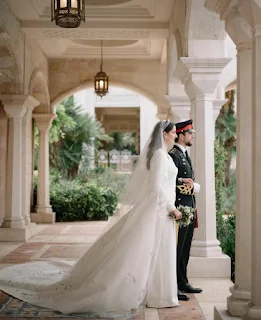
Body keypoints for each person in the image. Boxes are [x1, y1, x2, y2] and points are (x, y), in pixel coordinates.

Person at [0, 120, 182, 318]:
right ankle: (154, 294)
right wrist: (172, 208)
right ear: (164, 134)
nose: (175, 135)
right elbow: (156, 188)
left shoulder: (164, 155)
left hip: (161, 211)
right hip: (158, 210)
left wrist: (181, 187)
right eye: (173, 132)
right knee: (148, 251)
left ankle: (159, 294)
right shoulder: (158, 156)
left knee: (157, 252)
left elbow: (166, 183)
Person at [169, 119, 202, 302]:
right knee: (177, 248)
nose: (192, 136)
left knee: (185, 248)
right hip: (180, 208)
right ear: (181, 135)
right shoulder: (174, 155)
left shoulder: (184, 154)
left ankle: (183, 281)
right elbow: (170, 182)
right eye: (190, 133)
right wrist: (190, 186)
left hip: (188, 207)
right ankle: (174, 285)